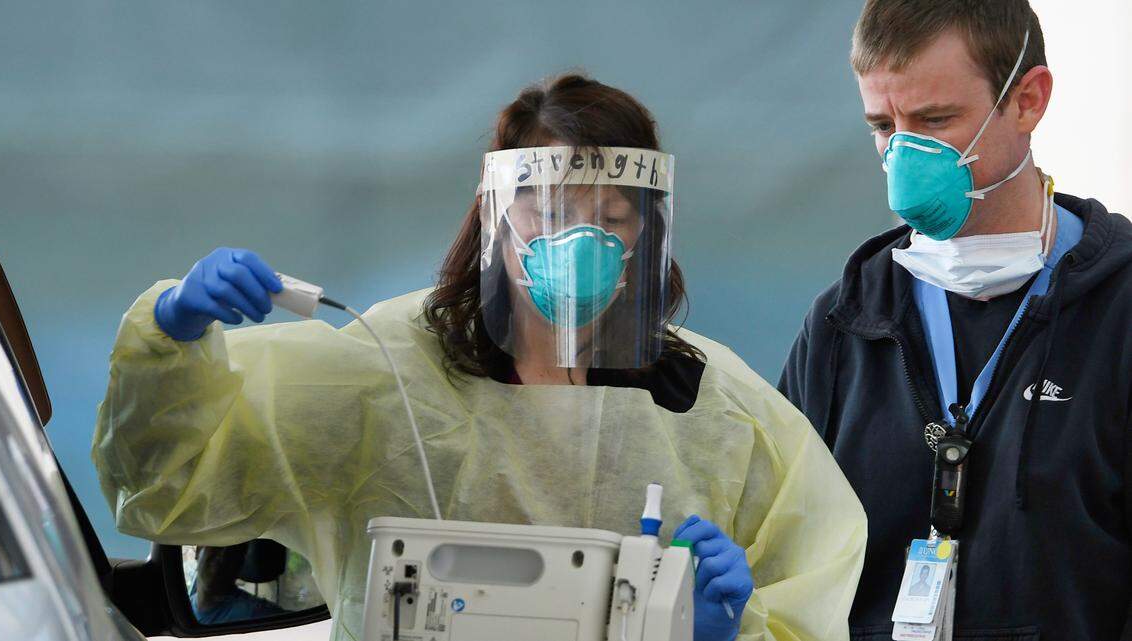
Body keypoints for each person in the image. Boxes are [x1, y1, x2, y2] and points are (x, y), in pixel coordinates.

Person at [93, 74, 866, 641]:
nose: (584, 236)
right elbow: (169, 491)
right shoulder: (387, 370)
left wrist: (728, 630)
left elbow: (815, 590)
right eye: (551, 206)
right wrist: (174, 335)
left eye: (614, 215)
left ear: (646, 235)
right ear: (497, 212)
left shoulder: (708, 403)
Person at [778, 1, 1132, 639]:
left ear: (1029, 101)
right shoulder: (846, 322)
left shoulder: (1120, 308)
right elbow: (788, 566)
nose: (903, 159)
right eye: (884, 127)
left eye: (935, 121)